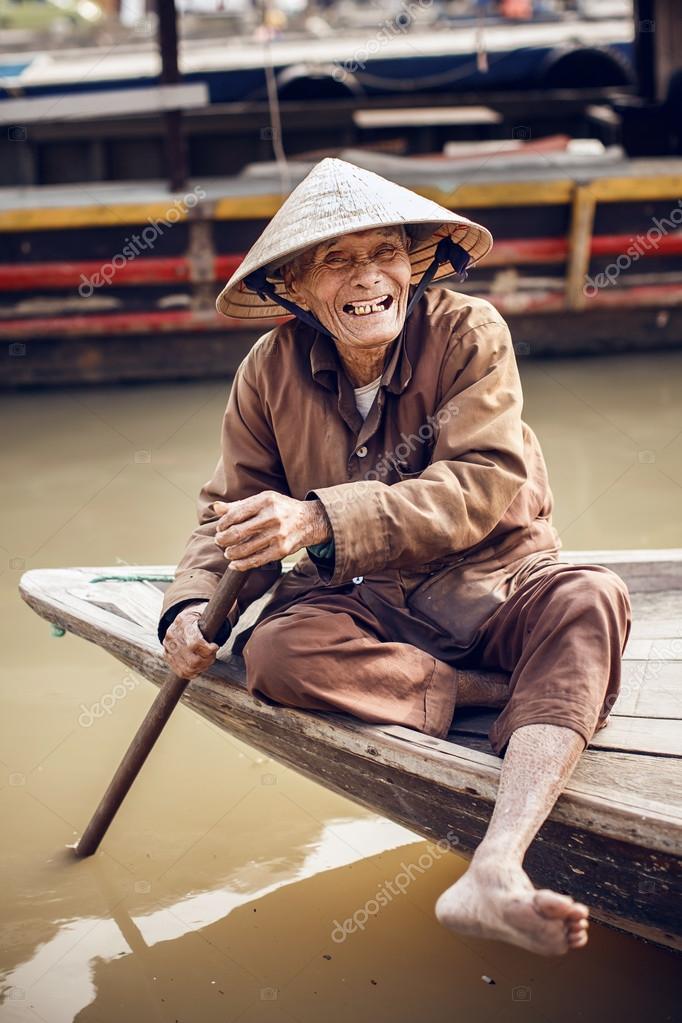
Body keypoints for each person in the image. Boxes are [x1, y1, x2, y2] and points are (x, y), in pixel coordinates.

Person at [159, 158, 631, 955]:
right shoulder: (268, 370)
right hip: (368, 598)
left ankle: (495, 866)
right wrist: (186, 605)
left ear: (412, 265)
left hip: (493, 579)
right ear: (298, 289)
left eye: (384, 253)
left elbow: (480, 482)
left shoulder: (469, 332)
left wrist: (316, 517)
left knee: (591, 599)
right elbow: (228, 514)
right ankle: (498, 693)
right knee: (274, 652)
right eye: (337, 260)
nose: (368, 276)